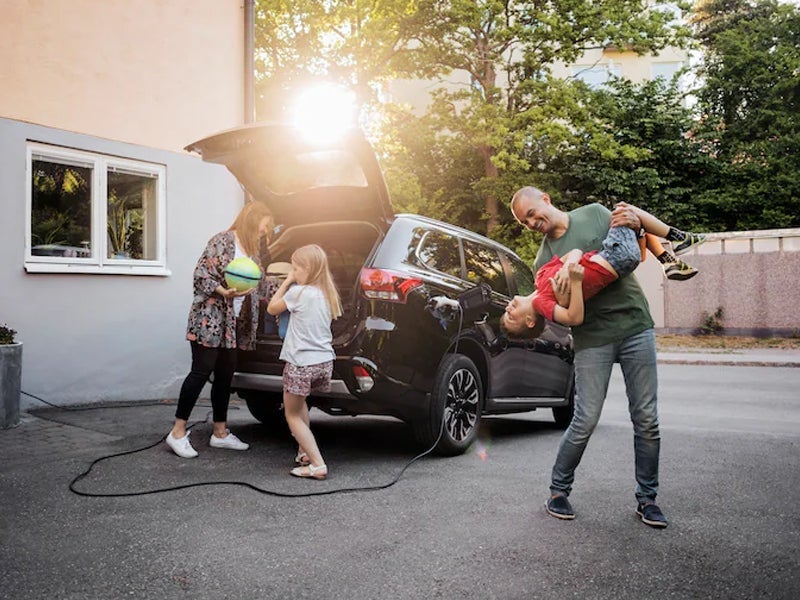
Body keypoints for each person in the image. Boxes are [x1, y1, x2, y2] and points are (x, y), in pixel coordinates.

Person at [510, 186, 689, 528]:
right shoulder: (541, 261)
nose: (532, 222)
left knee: (647, 419)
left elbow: (632, 250)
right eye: (525, 222)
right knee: (584, 419)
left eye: (532, 213)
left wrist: (638, 227)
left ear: (546, 199)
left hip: (635, 324)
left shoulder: (593, 213)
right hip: (592, 338)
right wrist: (571, 280)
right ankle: (558, 491)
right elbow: (564, 309)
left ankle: (647, 499)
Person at [165, 201, 273, 459]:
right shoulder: (223, 240)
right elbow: (201, 274)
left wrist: (294, 283)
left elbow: (260, 283)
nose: (265, 232)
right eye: (264, 226)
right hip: (209, 320)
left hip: (231, 325)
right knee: (201, 372)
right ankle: (177, 432)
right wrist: (224, 291)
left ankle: (220, 433)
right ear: (251, 221)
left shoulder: (252, 252)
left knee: (225, 376)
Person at [502, 204, 706, 336]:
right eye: (511, 317)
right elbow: (574, 318)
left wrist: (569, 264)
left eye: (506, 312)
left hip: (611, 252)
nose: (507, 309)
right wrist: (574, 280)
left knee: (631, 221)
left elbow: (573, 251)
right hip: (616, 259)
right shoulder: (541, 304)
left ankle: (668, 258)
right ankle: (678, 240)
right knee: (625, 210)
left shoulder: (539, 277)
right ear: (529, 321)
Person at [267, 244, 342, 480]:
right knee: (300, 408)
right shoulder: (327, 295)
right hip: (323, 361)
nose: (294, 272)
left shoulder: (298, 292)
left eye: (296, 268)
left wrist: (287, 281)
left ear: (308, 269)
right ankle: (305, 453)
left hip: (301, 363)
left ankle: (318, 464)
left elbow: (271, 308)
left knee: (291, 414)